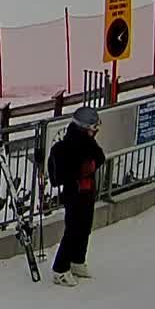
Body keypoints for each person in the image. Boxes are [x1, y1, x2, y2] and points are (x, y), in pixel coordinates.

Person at [47, 103, 107, 286]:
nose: (95, 132)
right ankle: (60, 269)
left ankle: (77, 260)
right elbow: (66, 174)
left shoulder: (86, 142)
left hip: (87, 191)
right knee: (73, 230)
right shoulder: (70, 145)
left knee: (85, 227)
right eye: (94, 128)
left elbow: (100, 157)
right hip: (75, 193)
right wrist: (82, 171)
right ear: (85, 128)